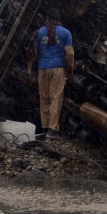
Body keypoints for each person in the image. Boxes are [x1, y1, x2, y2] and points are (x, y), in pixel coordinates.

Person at [28, 9, 74, 140]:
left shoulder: (39, 32)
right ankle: (53, 131)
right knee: (56, 98)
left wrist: (31, 70)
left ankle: (46, 128)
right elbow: (70, 54)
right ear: (59, 19)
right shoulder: (66, 32)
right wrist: (70, 69)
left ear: (47, 19)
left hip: (42, 69)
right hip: (57, 69)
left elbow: (33, 53)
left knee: (44, 99)